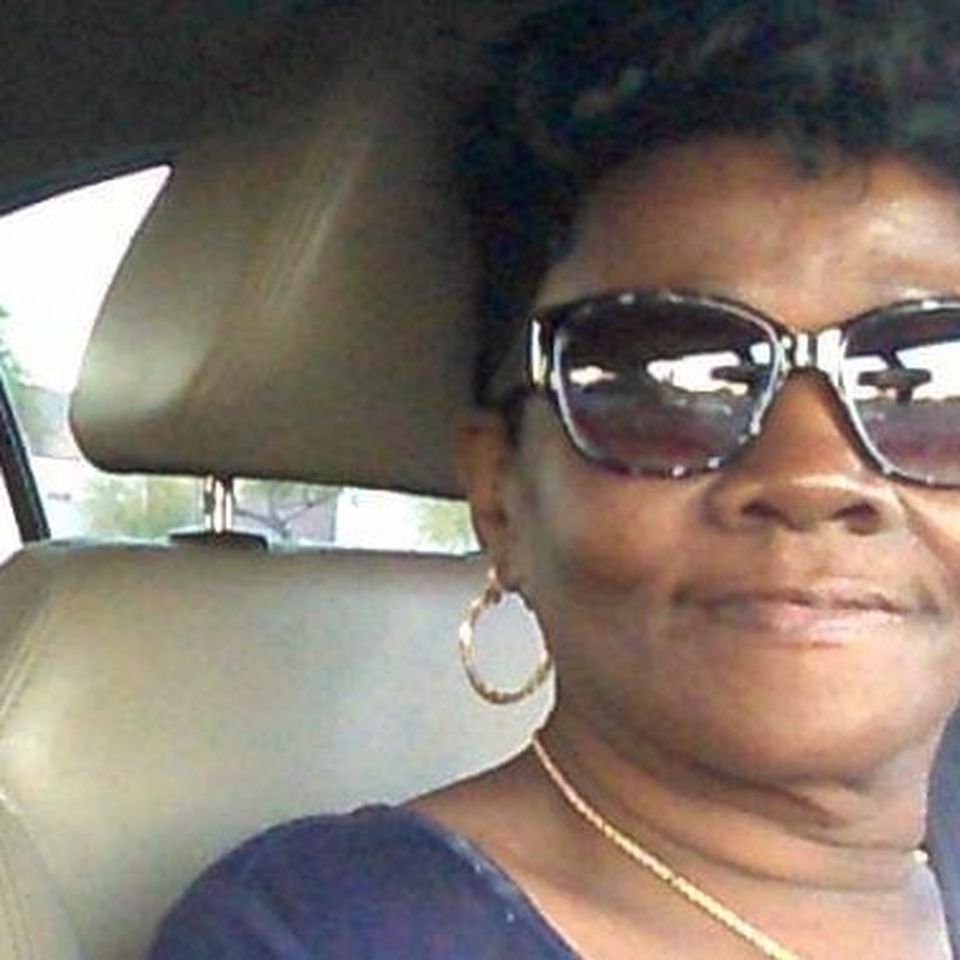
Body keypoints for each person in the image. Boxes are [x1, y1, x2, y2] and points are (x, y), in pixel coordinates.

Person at [150, 1, 960, 956]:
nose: (812, 475)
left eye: (926, 379)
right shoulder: (325, 936)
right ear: (502, 497)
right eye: (661, 378)